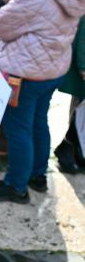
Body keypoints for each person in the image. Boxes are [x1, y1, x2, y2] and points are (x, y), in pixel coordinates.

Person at [0, 0, 85, 203]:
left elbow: (2, 25)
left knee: (18, 128)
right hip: (52, 67)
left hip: (25, 70)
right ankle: (38, 174)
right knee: (39, 121)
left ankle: (16, 185)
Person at [54, 16, 85, 173]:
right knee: (79, 115)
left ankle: (76, 153)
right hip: (82, 74)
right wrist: (83, 67)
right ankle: (66, 150)